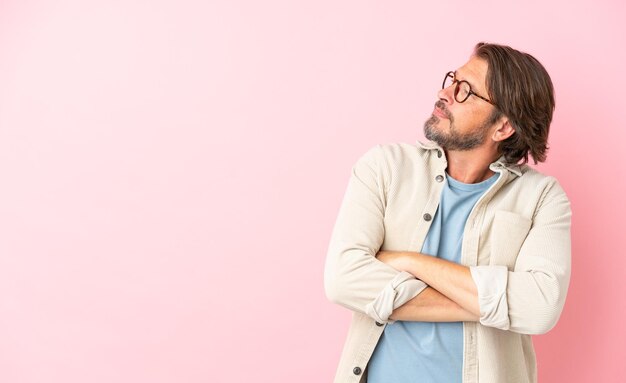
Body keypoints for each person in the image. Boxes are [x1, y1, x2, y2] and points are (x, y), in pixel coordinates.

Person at [324, 42, 572, 383]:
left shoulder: (542, 198)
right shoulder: (385, 167)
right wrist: (490, 307)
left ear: (503, 127)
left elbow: (540, 308)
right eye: (453, 80)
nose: (445, 92)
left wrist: (410, 262)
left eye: (465, 91)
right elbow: (342, 280)